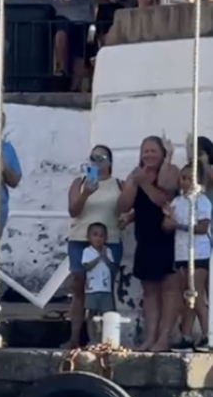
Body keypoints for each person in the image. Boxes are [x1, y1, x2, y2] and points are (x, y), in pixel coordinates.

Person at [118, 136, 181, 351]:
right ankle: (150, 336)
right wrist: (133, 183)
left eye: (154, 151)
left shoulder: (171, 171)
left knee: (170, 290)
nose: (149, 155)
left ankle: (164, 338)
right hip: (144, 237)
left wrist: (143, 182)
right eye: (145, 151)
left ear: (163, 153)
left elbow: (163, 200)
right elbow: (124, 205)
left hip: (167, 237)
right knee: (150, 291)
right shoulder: (136, 175)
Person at [66, 144, 123, 347]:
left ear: (110, 162)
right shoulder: (79, 183)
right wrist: (85, 194)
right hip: (80, 239)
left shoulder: (119, 184)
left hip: (109, 241)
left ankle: (107, 338)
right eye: (93, 157)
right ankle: (76, 338)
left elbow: (130, 207)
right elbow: (73, 210)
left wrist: (128, 219)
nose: (96, 161)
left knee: (106, 290)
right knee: (79, 290)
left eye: (101, 157)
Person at [165, 164, 212, 352]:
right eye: (182, 178)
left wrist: (179, 225)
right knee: (187, 296)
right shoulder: (177, 201)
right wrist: (168, 219)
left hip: (198, 253)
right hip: (182, 253)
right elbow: (167, 226)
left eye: (188, 178)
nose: (183, 182)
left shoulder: (202, 202)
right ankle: (186, 334)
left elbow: (202, 228)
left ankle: (208, 334)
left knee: (197, 294)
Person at [81, 222, 116, 343]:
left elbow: (112, 267)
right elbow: (87, 266)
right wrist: (99, 257)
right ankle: (92, 339)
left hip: (105, 289)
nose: (98, 238)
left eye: (101, 236)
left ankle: (105, 339)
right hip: (92, 289)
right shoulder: (87, 251)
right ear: (89, 237)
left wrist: (105, 256)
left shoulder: (108, 251)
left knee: (106, 315)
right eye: (95, 235)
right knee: (91, 314)